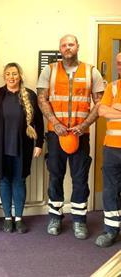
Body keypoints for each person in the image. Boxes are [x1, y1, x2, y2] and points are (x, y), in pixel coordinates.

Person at [37, 34, 104, 239]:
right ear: (60, 48)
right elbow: (42, 98)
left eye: (71, 44)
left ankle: (79, 221)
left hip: (80, 135)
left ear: (77, 47)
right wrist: (55, 123)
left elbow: (99, 103)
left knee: (80, 178)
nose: (68, 48)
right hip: (56, 134)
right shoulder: (50, 70)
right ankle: (55, 217)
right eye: (64, 45)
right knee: (55, 176)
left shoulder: (92, 71)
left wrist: (84, 125)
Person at [0, 63, 44, 233]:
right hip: (0, 146)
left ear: (20, 75)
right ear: (4, 77)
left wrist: (39, 144)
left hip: (22, 147)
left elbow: (39, 122)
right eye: (8, 74)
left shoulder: (30, 96)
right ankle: (7, 218)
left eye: (15, 74)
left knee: (19, 180)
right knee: (4, 180)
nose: (11, 77)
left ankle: (18, 218)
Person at [95, 52, 121, 248]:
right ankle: (111, 230)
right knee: (110, 190)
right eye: (118, 63)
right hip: (112, 148)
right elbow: (102, 111)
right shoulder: (112, 87)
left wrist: (117, 112)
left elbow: (110, 112)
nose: (120, 66)